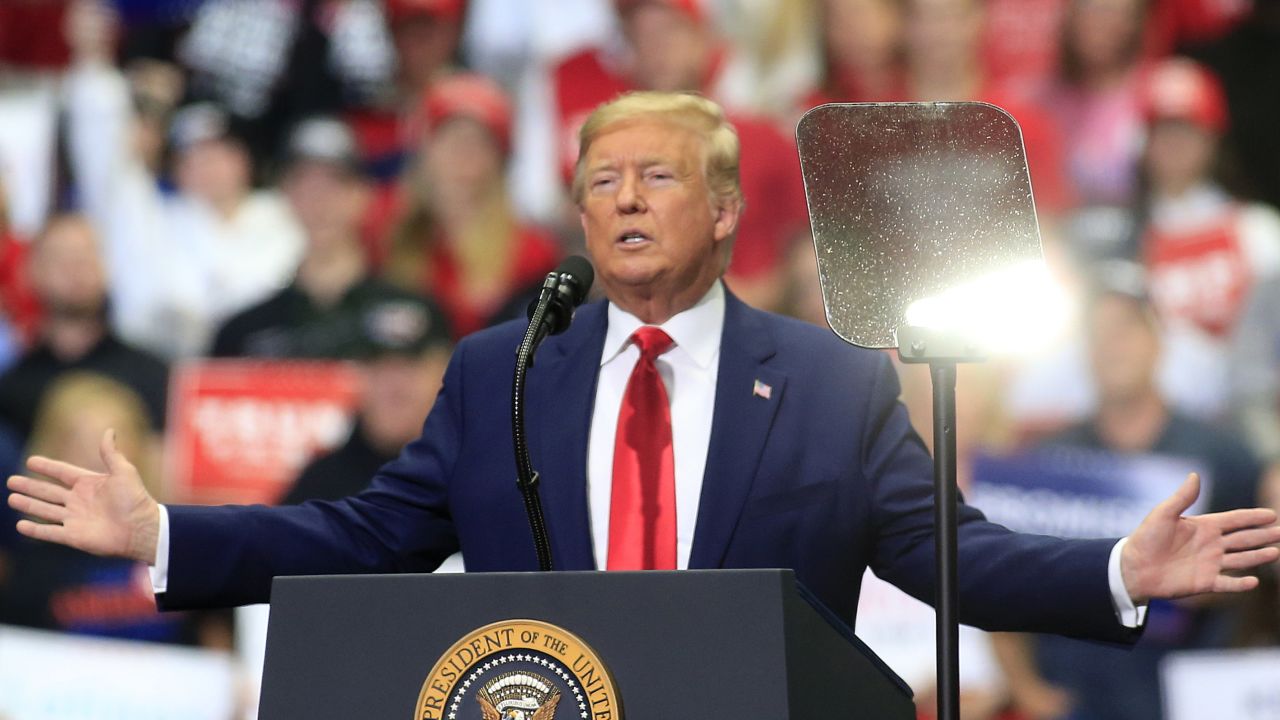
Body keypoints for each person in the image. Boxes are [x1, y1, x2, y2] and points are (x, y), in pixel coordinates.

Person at [6, 94, 1280, 644]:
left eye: (655, 176)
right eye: (599, 183)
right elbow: (364, 537)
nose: (621, 200)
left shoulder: (832, 383)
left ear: (725, 211)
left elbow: (952, 561)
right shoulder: (504, 369)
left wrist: (1117, 567)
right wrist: (165, 531)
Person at [993, 262, 1264, 720]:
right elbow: (1004, 583)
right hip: (1070, 698)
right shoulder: (1044, 459)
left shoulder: (1225, 456)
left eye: (1126, 330)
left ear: (1158, 341)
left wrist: (1208, 585)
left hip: (1188, 695)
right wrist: (1026, 688)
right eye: (1097, 334)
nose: (1112, 347)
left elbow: (1262, 583)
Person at [210, 116, 446, 359]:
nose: (319, 202)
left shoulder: (416, 315)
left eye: (336, 184)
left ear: (363, 195)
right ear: (285, 196)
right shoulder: (245, 332)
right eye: (304, 186)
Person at [0, 214, 168, 445]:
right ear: (31, 272)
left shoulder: (154, 375)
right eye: (61, 258)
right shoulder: (13, 388)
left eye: (87, 255)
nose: (76, 268)